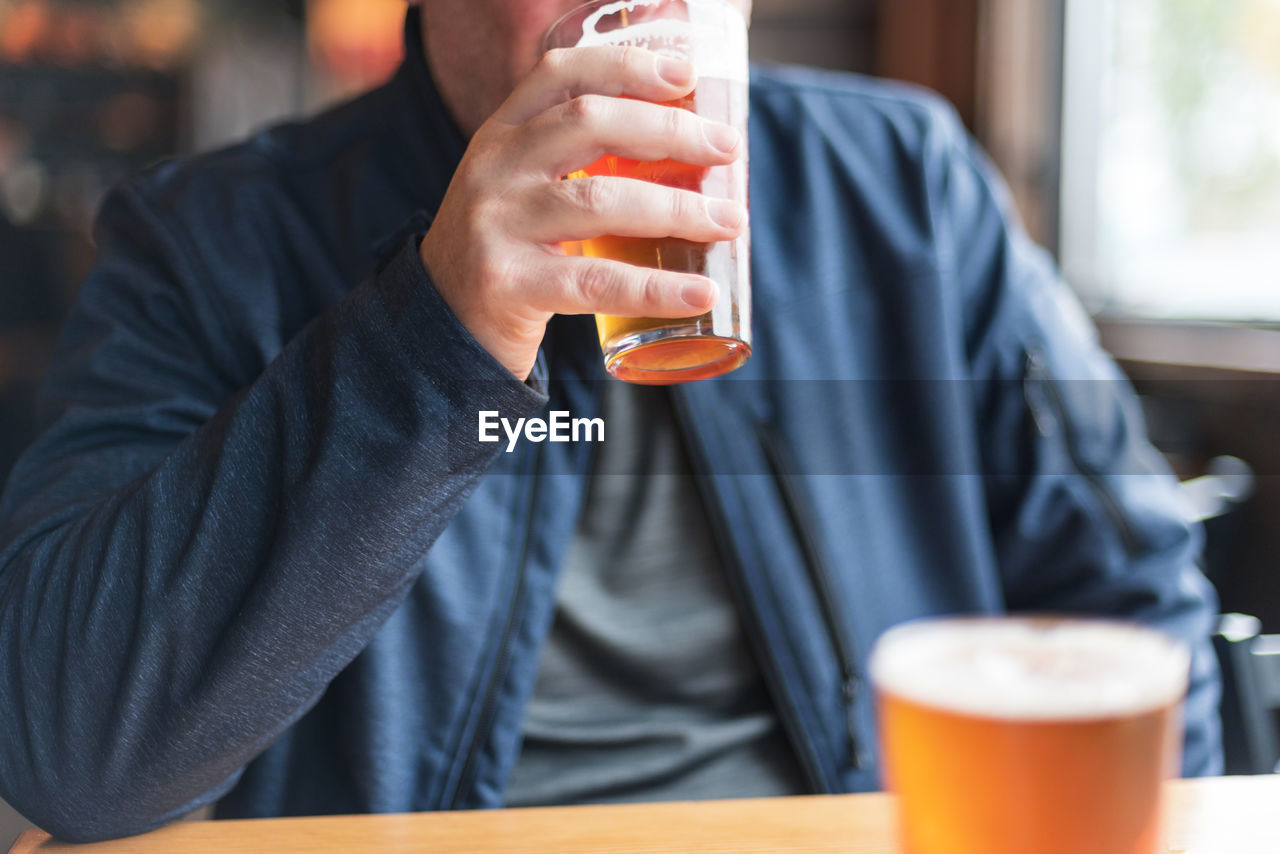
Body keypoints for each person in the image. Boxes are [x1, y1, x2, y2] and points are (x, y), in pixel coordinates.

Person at [0, 0, 1220, 843]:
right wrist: (435, 322)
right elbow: (68, 745)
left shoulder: (904, 184)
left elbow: (1135, 593)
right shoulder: (212, 242)